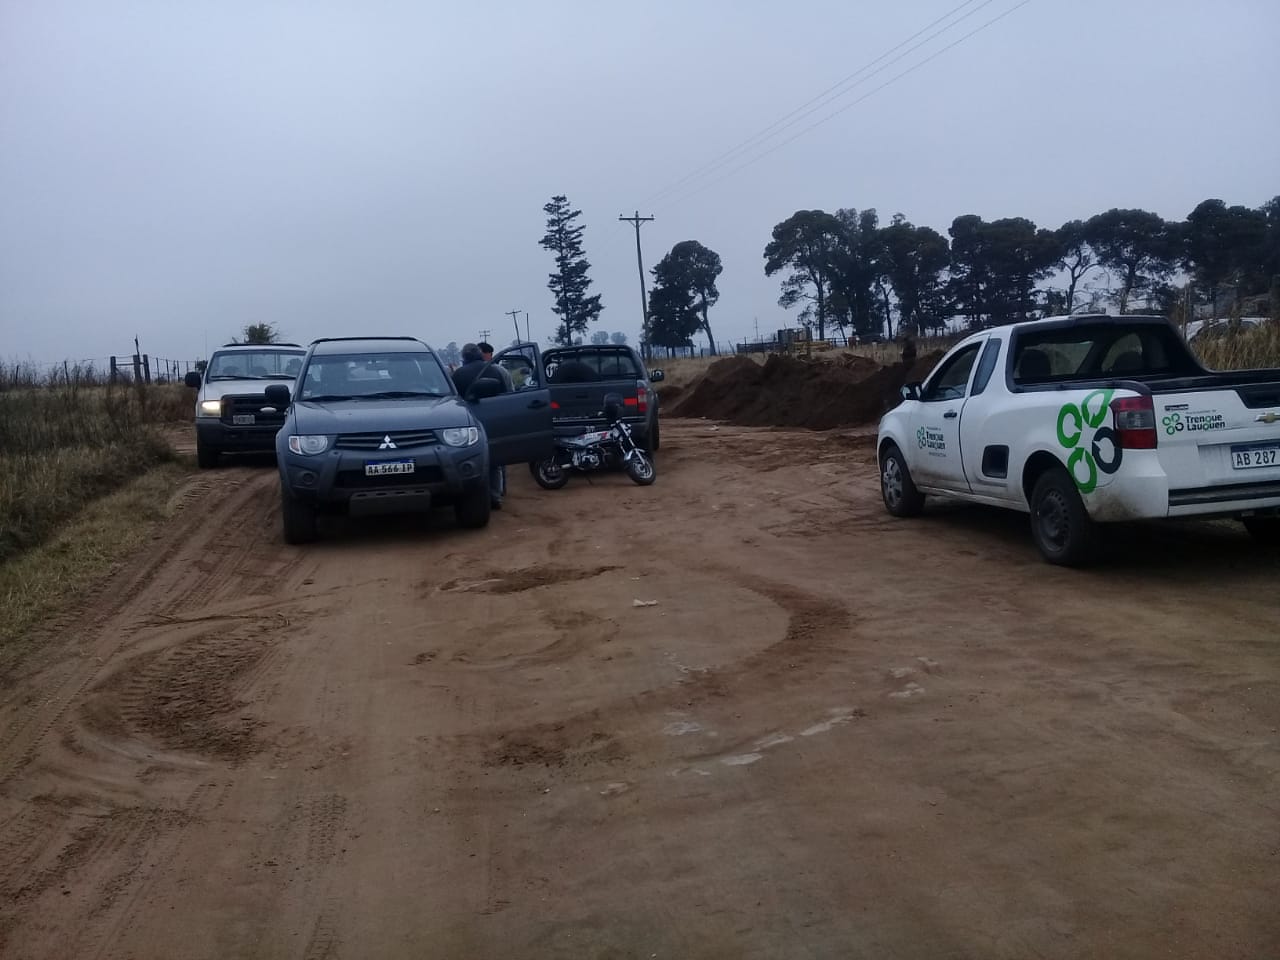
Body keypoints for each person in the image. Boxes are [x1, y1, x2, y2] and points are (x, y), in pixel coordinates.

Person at [451, 343, 508, 510]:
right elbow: (506, 396)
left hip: (468, 422)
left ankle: (471, 496)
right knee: (496, 459)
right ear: (480, 354)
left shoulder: (458, 374)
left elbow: (453, 401)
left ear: (464, 357)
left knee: (469, 459)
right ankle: (497, 494)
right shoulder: (495, 370)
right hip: (495, 419)